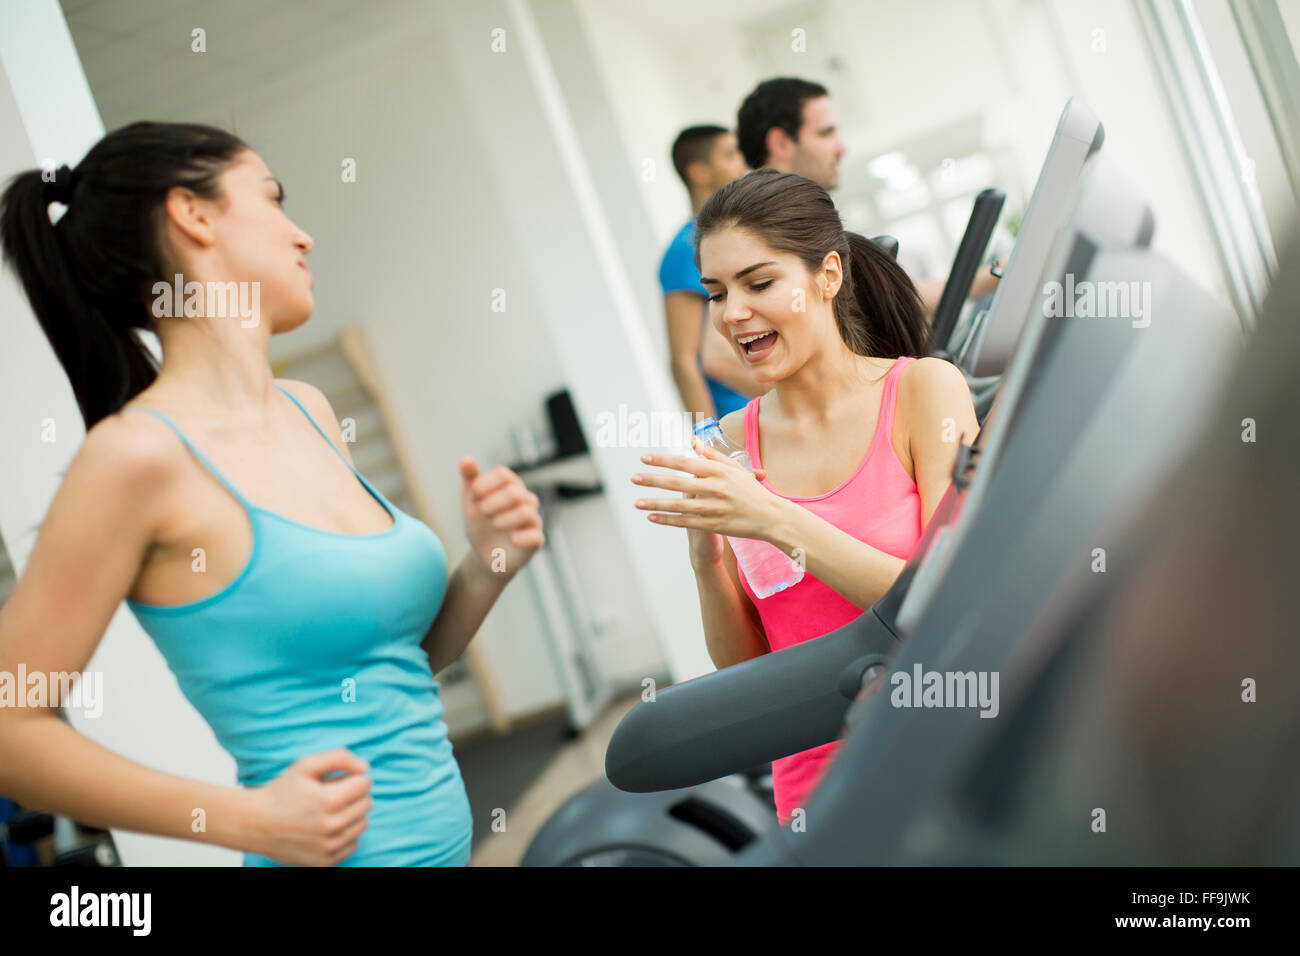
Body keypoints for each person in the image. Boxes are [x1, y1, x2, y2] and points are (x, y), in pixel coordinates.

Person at [0, 122, 545, 866]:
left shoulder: (309, 412)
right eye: (273, 199)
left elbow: (392, 669)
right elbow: (10, 725)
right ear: (192, 215)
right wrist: (239, 821)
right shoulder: (136, 458)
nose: (303, 237)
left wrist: (488, 564)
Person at [631, 170, 979, 825]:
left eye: (759, 284)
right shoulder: (732, 443)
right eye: (717, 292)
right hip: (819, 795)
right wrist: (707, 563)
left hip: (945, 759)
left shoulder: (923, 392)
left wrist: (770, 518)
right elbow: (752, 677)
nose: (733, 313)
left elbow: (942, 601)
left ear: (827, 276)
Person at [737, 77, 999, 318]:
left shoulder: (799, 220)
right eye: (825, 133)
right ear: (781, 143)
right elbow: (719, 354)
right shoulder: (753, 229)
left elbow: (883, 296)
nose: (841, 147)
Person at [659, 125, 759, 420]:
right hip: (741, 419)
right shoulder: (684, 250)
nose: (742, 163)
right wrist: (712, 442)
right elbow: (684, 361)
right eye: (730, 154)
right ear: (699, 173)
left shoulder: (738, 233)